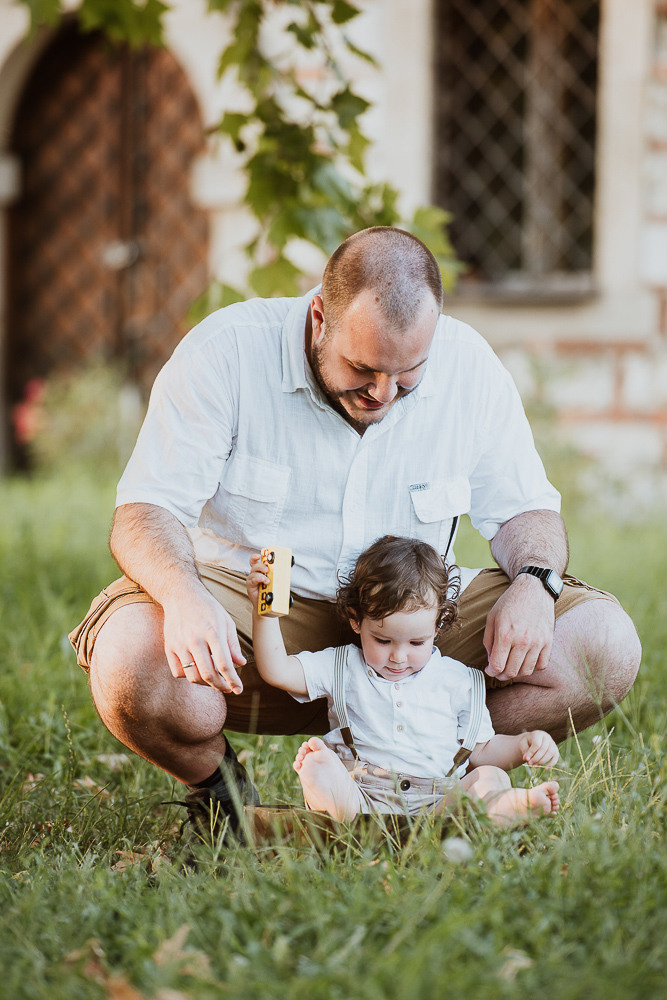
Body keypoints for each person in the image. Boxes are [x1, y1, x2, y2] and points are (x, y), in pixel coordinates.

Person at [69, 226, 640, 837]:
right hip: (258, 615)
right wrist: (184, 598)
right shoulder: (227, 351)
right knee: (130, 658)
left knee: (603, 646)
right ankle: (223, 798)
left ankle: (427, 785)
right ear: (320, 317)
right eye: (363, 368)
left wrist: (534, 583)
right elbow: (146, 509)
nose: (383, 393)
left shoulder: (469, 365)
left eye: (409, 371)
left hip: (413, 624)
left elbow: (528, 510)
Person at [246, 536, 561, 826]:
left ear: (438, 624)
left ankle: (509, 806)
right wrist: (264, 615)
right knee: (317, 765)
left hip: (438, 803)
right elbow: (278, 671)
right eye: (382, 640)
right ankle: (349, 824)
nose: (398, 657)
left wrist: (522, 745)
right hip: (360, 795)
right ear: (356, 619)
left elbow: (481, 751)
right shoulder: (342, 666)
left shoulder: (457, 680)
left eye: (416, 643)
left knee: (490, 776)